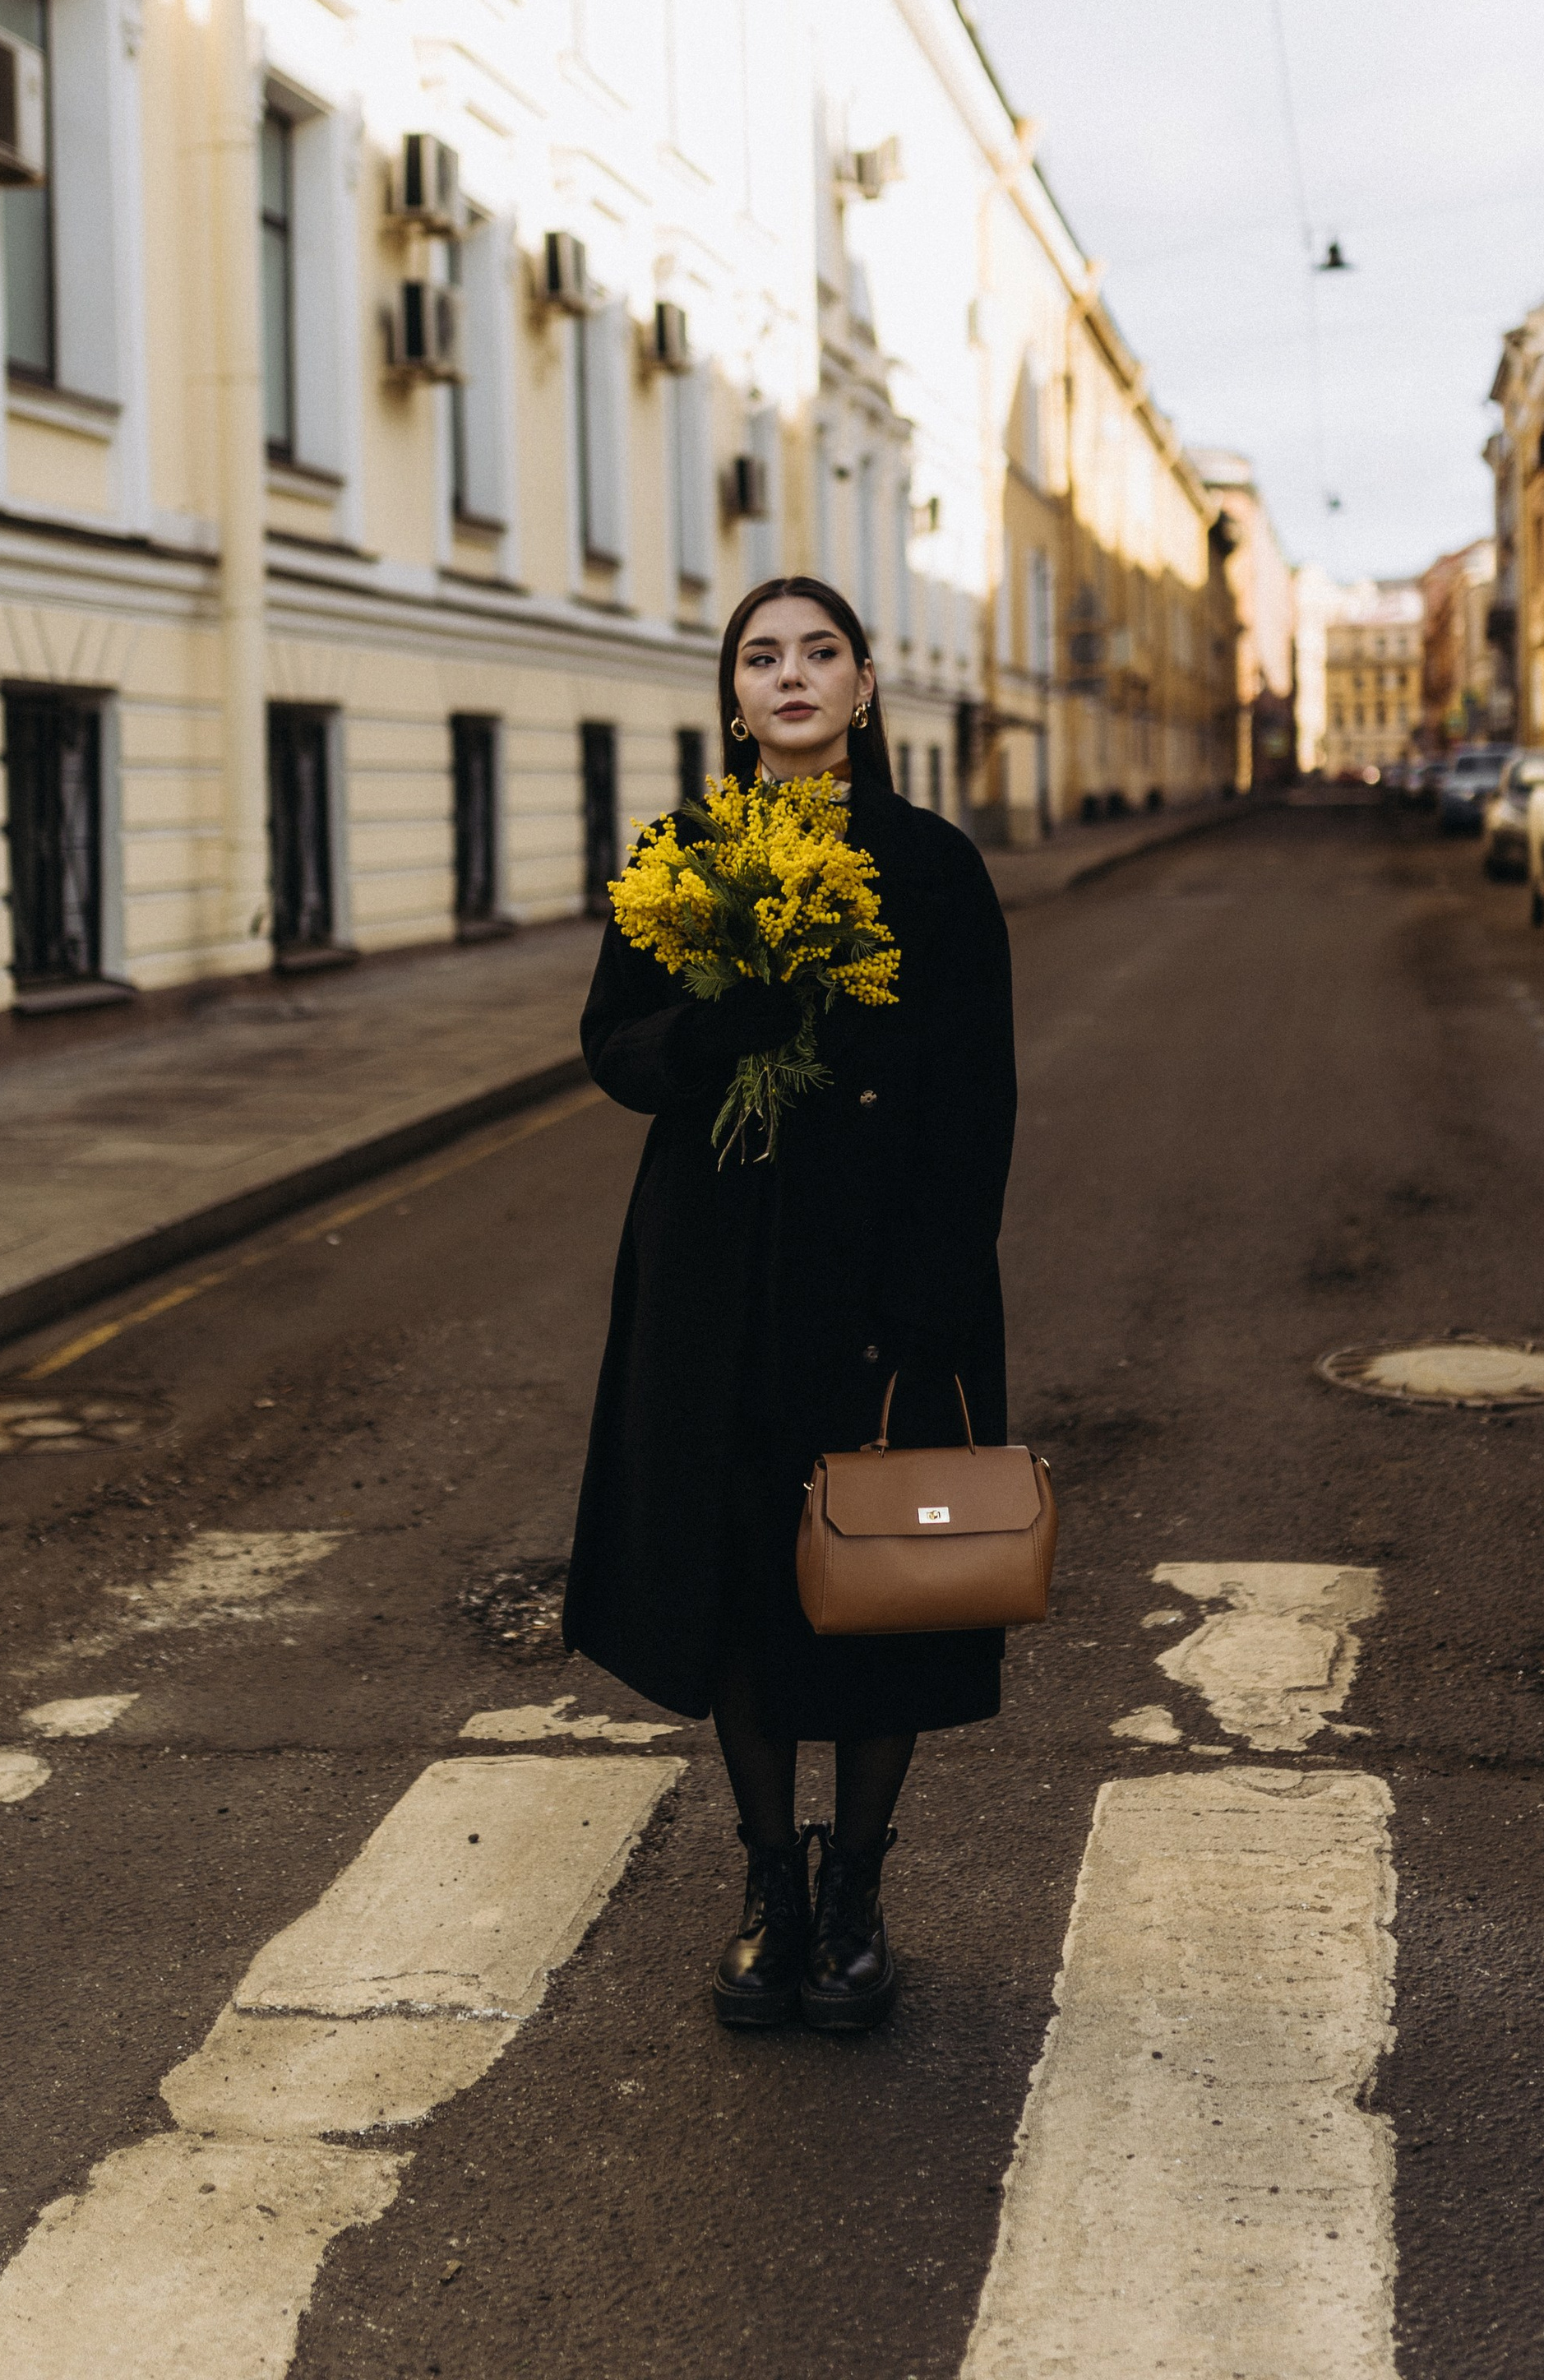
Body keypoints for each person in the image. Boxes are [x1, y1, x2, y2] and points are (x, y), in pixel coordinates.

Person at [564, 575, 1017, 2030]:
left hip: (885, 1285)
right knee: (743, 1587)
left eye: (822, 652)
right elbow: (612, 1045)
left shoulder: (931, 865)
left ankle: (858, 1893)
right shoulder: (683, 855)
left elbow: (978, 1094)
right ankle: (771, 1884)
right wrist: (714, 1032)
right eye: (763, 657)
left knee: (887, 1590)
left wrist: (931, 1292)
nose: (793, 675)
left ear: (866, 688)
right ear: (735, 697)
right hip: (717, 1285)